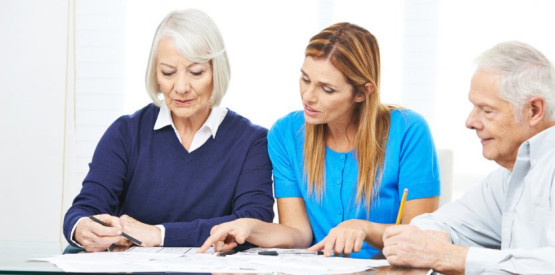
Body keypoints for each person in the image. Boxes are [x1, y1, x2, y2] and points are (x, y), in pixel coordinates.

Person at [382, 41, 555, 274]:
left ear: (534, 110)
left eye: (487, 110)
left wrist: (450, 256)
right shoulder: (511, 176)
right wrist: (432, 241)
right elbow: (434, 223)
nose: (470, 121)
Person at [198, 22, 440, 259]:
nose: (308, 96)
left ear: (362, 92)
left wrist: (364, 228)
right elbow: (299, 233)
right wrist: (250, 227)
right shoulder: (286, 133)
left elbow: (420, 238)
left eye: (327, 89)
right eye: (305, 79)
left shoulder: (408, 131)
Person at [63, 9, 274, 252]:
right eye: (168, 72)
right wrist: (82, 228)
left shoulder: (251, 141)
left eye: (196, 72)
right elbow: (83, 210)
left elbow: (253, 222)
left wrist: (159, 234)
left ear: (217, 71)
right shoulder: (126, 133)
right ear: (155, 73)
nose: (181, 87)